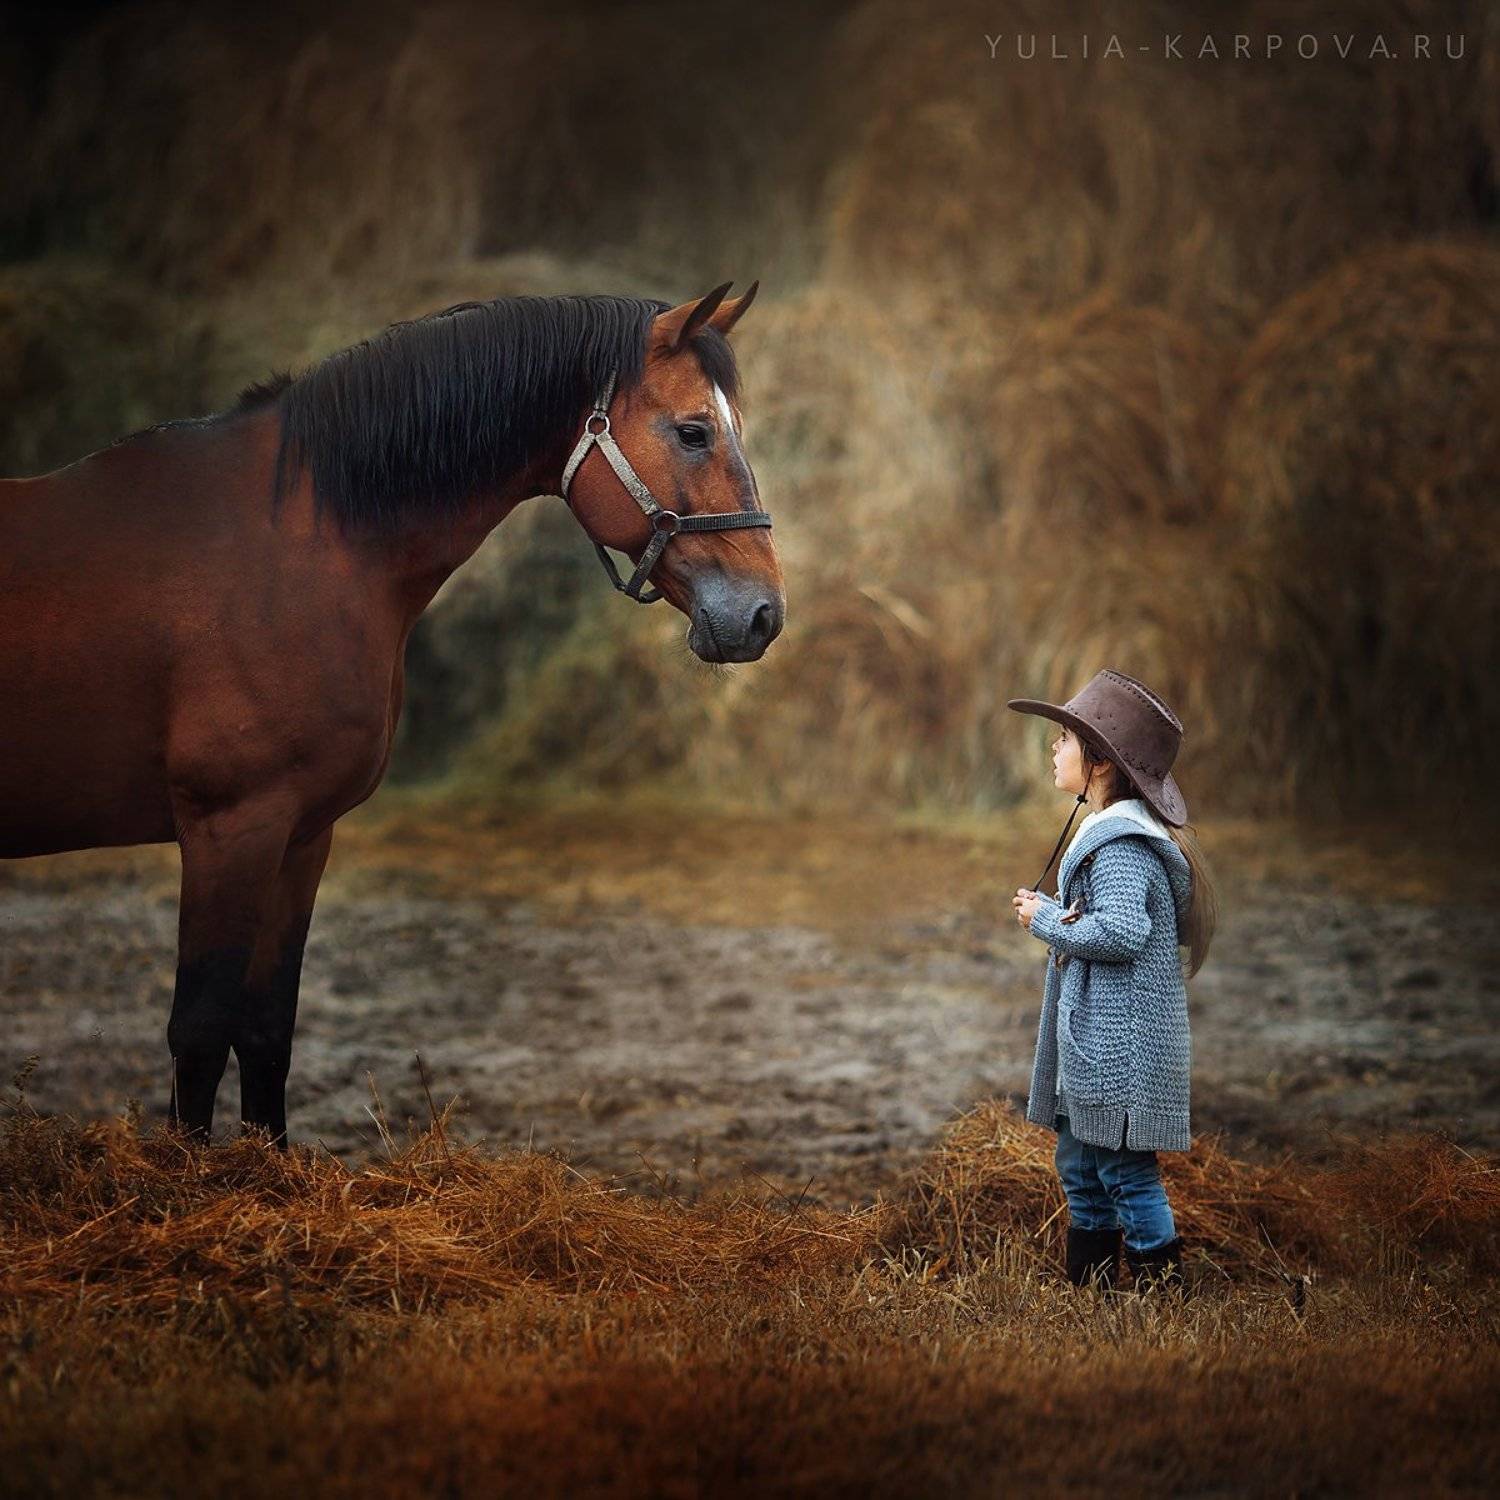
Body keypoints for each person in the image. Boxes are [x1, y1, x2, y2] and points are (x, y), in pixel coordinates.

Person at [1006, 669, 1218, 1292]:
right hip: (1093, 1051)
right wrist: (1065, 917)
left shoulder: (1123, 844)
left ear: (1100, 762)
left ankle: (1162, 1295)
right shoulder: (1107, 833)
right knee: (1080, 1167)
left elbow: (1123, 933)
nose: (1054, 748)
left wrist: (1046, 920)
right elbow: (1114, 923)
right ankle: (1091, 1291)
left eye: (1065, 739)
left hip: (1117, 1053)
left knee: (1124, 1174)